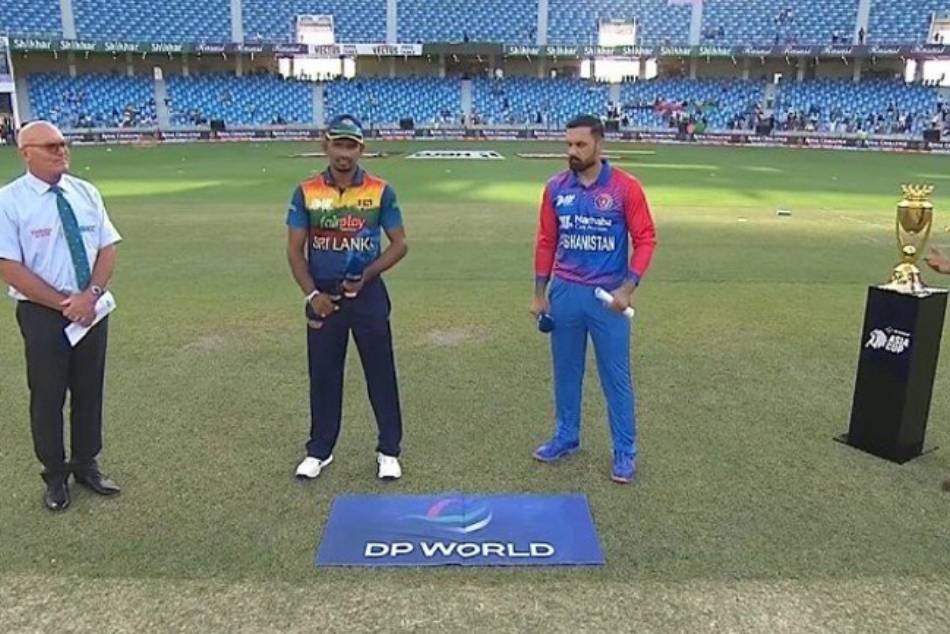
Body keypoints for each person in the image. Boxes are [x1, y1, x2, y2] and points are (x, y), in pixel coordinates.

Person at [0, 121, 122, 511]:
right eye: (51, 146)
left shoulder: (85, 192)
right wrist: (65, 304)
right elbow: (8, 265)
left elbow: (107, 247)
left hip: (92, 310)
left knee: (89, 390)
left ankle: (86, 464)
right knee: (48, 395)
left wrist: (91, 296)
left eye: (63, 144)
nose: (61, 150)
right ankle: (54, 475)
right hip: (43, 314)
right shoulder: (9, 201)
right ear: (26, 153)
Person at [530, 114, 657, 484]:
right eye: (569, 144)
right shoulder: (556, 187)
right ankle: (566, 436)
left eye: (581, 144)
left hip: (606, 296)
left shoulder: (625, 188)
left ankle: (625, 452)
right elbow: (546, 241)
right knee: (566, 371)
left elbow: (646, 239)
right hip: (565, 292)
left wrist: (628, 288)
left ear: (599, 144)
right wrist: (539, 294)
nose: (573, 151)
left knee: (616, 377)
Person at [285, 114, 408, 481]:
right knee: (323, 374)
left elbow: (399, 244)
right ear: (326, 146)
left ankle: (389, 450)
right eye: (338, 144)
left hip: (368, 293)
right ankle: (319, 450)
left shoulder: (380, 190)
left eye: (350, 146)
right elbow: (294, 250)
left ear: (361, 149)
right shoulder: (306, 191)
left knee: (380, 372)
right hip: (323, 295)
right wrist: (312, 294)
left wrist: (366, 276)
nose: (344, 153)